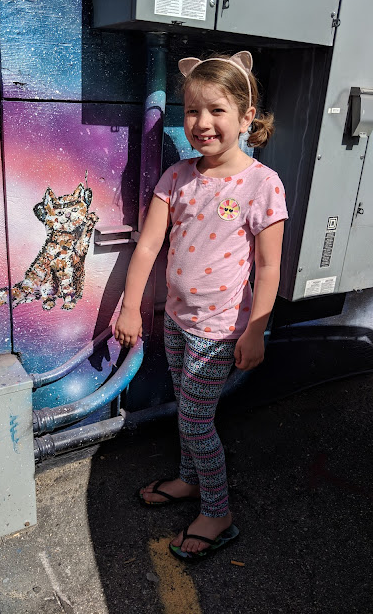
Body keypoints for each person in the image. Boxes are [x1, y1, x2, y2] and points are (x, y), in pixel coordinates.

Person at [114, 51, 288, 562]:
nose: (202, 123)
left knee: (194, 420)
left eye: (216, 110)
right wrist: (130, 308)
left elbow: (269, 268)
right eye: (192, 111)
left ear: (246, 117)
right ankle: (190, 480)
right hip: (177, 321)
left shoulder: (263, 184)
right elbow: (148, 245)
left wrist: (255, 331)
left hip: (220, 330)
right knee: (187, 408)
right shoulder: (177, 176)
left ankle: (218, 511)